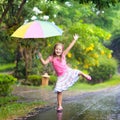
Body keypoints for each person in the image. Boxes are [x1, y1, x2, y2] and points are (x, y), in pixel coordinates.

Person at [38, 34, 91, 112]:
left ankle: (84, 75)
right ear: (54, 49)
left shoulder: (63, 55)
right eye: (56, 49)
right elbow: (44, 63)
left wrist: (75, 39)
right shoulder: (51, 58)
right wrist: (40, 57)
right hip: (60, 76)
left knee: (77, 72)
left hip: (67, 71)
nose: (58, 51)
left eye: (59, 49)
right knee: (59, 91)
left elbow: (69, 47)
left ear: (62, 50)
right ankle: (59, 106)